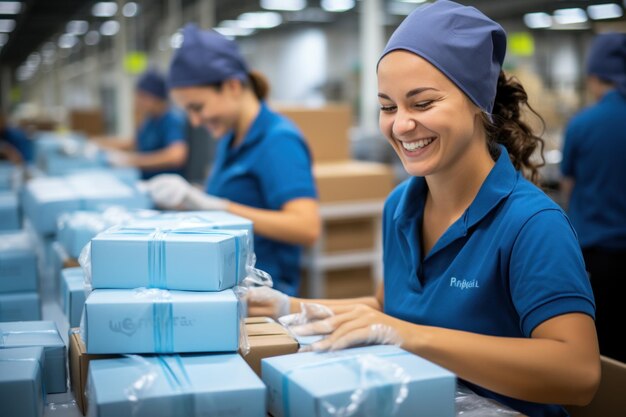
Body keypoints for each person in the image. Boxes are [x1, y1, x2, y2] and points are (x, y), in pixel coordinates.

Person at [247, 2, 600, 416]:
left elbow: (579, 374)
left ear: (476, 102)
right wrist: (290, 306)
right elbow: (387, 309)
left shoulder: (530, 224)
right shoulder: (400, 206)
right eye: (388, 106)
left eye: (422, 103)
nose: (400, 125)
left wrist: (412, 336)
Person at [146, 24, 320, 296]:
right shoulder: (230, 137)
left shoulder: (278, 141)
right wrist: (188, 198)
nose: (195, 121)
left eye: (197, 107)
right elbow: (236, 198)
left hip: (263, 298)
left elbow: (306, 227)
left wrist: (217, 206)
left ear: (232, 86)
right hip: (225, 287)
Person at [560, 33, 626, 363]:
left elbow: (567, 187)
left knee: (604, 348)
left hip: (597, 257)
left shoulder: (583, 124)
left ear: (595, 76)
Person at [96, 69, 188, 179]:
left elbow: (176, 156)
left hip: (163, 185)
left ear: (156, 97)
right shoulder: (151, 119)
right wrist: (99, 143)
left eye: (142, 96)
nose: (137, 101)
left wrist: (132, 160)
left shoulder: (172, 120)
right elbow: (135, 143)